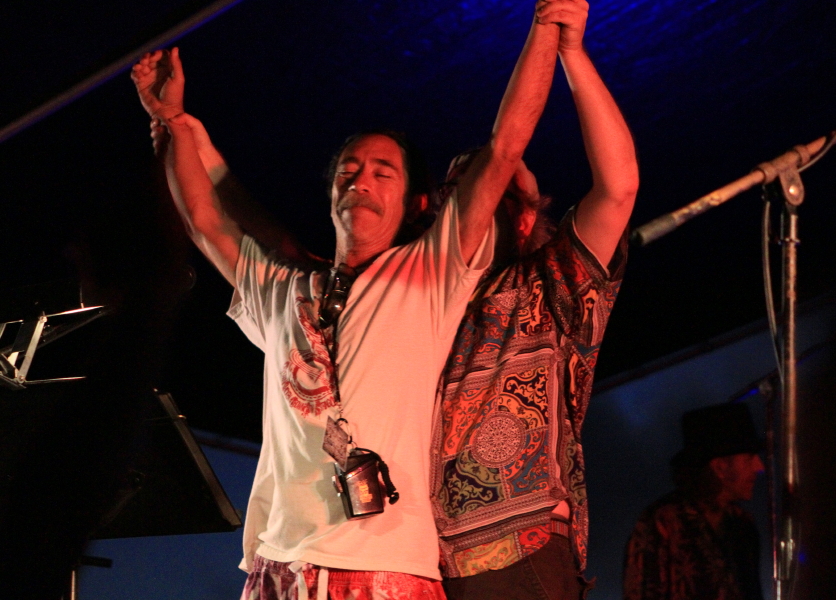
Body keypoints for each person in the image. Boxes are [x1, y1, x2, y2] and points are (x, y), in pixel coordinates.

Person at [131, 2, 574, 598]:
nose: (361, 180)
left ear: (417, 204)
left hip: (383, 567)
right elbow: (206, 220)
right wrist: (173, 121)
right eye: (349, 170)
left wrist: (545, 28)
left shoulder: (429, 274)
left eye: (383, 172)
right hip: (278, 568)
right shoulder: (284, 289)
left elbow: (504, 147)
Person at [430, 1, 639, 597]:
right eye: (461, 187)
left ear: (526, 217)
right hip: (425, 561)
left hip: (518, 554)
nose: (477, 197)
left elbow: (618, 188)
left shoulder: (546, 286)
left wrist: (572, 52)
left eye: (498, 187)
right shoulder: (416, 294)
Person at [623, 402, 765, 600]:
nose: (759, 467)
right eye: (749, 458)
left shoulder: (743, 525)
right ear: (720, 467)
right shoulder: (663, 523)